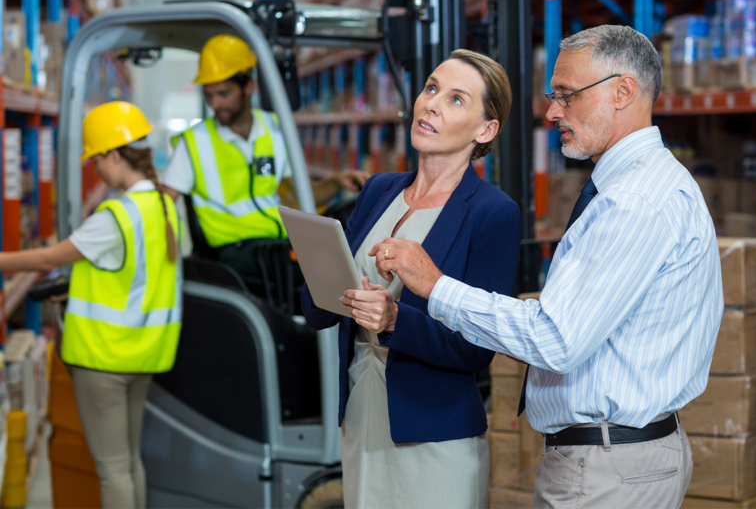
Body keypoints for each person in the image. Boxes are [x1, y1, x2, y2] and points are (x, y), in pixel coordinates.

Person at [370, 26, 723, 509]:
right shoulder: (638, 187)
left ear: (623, 92)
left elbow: (557, 340)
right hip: (613, 458)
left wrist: (435, 286)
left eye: (567, 96)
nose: (553, 111)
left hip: (609, 466)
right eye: (552, 96)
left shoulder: (633, 201)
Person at [304, 49, 520, 509]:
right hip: (362, 416)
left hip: (433, 435)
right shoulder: (379, 190)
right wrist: (321, 268)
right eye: (431, 88)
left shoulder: (492, 213)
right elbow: (315, 308)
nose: (432, 104)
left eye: (457, 99)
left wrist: (393, 319)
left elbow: (479, 348)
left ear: (486, 130)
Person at [0, 102, 183, 509]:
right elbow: (137, 274)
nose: (96, 169)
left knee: (111, 469)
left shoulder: (117, 214)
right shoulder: (165, 206)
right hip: (145, 353)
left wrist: (1, 260)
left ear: (115, 155)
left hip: (105, 358)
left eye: (96, 158)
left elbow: (49, 258)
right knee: (129, 461)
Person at [161, 34, 368, 277]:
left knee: (347, 238)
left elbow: (303, 194)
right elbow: (164, 202)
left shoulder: (274, 128)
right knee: (312, 270)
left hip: (276, 242)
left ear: (249, 86)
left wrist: (337, 181)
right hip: (233, 251)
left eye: (223, 94)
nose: (215, 104)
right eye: (209, 96)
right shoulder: (193, 142)